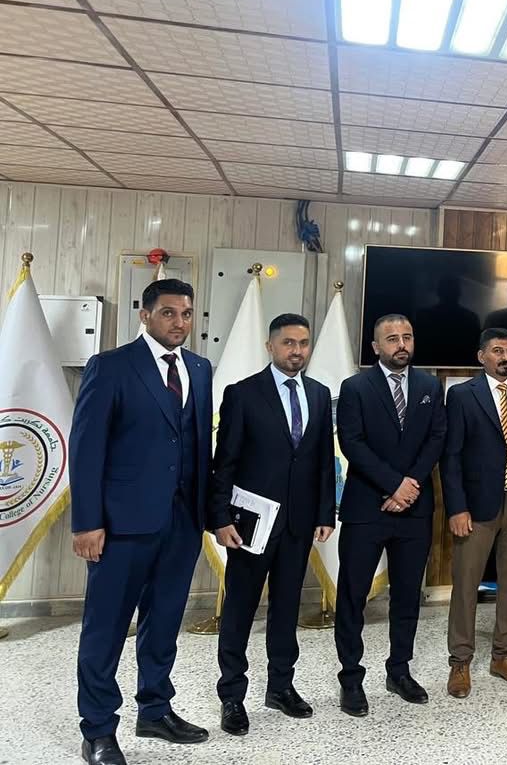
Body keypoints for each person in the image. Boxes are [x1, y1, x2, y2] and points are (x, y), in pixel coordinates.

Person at [70, 278, 212, 765]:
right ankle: (97, 729)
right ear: (145, 314)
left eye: (187, 313)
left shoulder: (200, 368)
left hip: (182, 522)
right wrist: (86, 523)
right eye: (169, 312)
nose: (179, 322)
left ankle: (155, 710)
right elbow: (86, 449)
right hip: (121, 525)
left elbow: (198, 447)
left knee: (165, 622)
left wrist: (208, 515)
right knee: (106, 628)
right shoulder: (111, 366)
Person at [208, 313, 336, 735]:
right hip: (250, 526)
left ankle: (280, 687)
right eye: (288, 343)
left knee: (286, 608)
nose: (297, 351)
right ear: (270, 346)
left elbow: (322, 460)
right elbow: (224, 462)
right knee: (240, 609)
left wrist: (325, 513)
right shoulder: (243, 393)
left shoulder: (319, 395)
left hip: (299, 523)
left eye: (303, 343)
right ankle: (232, 696)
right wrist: (220, 518)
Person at [333, 314, 447, 715]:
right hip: (367, 507)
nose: (402, 344)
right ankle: (351, 678)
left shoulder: (430, 386)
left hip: (414, 510)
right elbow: (352, 442)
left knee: (407, 595)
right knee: (353, 595)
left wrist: (409, 486)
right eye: (392, 338)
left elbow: (437, 439)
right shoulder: (355, 387)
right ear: (375, 347)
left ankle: (399, 670)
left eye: (407, 337)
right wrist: (392, 485)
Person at [441, 328, 507, 698]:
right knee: (466, 585)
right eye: (498, 350)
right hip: (475, 508)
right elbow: (451, 457)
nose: (506, 356)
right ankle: (460, 660)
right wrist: (456, 507)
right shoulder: (461, 395)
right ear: (481, 356)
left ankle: (504, 655)